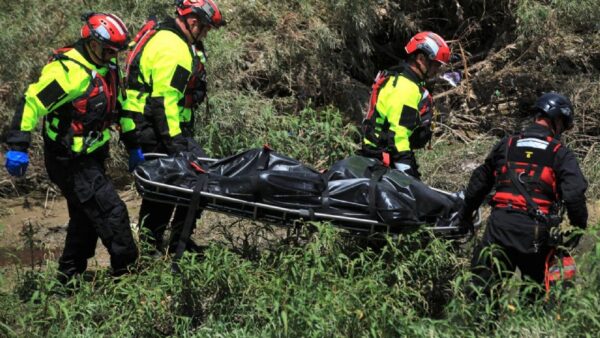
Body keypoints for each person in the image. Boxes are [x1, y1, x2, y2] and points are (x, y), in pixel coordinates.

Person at [4, 13, 142, 283]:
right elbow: (31, 103)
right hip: (69, 160)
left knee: (85, 218)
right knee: (113, 213)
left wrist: (133, 145)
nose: (111, 56)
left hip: (92, 157)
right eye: (107, 50)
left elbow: (122, 108)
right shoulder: (67, 72)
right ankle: (127, 280)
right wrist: (18, 145)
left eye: (115, 51)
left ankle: (68, 279)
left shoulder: (107, 68)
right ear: (90, 41)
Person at [458, 92, 588, 301]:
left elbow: (478, 183)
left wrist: (465, 215)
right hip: (535, 233)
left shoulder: (507, 145)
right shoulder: (560, 152)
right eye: (563, 124)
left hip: (499, 226)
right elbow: (574, 196)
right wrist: (577, 231)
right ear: (556, 120)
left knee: (482, 296)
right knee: (534, 298)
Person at [122, 0, 225, 254]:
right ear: (193, 22)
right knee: (164, 190)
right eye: (206, 28)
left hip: (156, 124)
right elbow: (163, 102)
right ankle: (151, 248)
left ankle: (178, 240)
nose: (207, 34)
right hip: (153, 127)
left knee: (195, 177)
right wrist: (176, 143)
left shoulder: (169, 38)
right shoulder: (174, 47)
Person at [361, 32, 450, 179]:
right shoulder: (405, 87)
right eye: (435, 65)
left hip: (381, 155)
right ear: (421, 59)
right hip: (384, 160)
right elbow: (397, 136)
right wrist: (407, 174)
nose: (437, 70)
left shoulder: (398, 77)